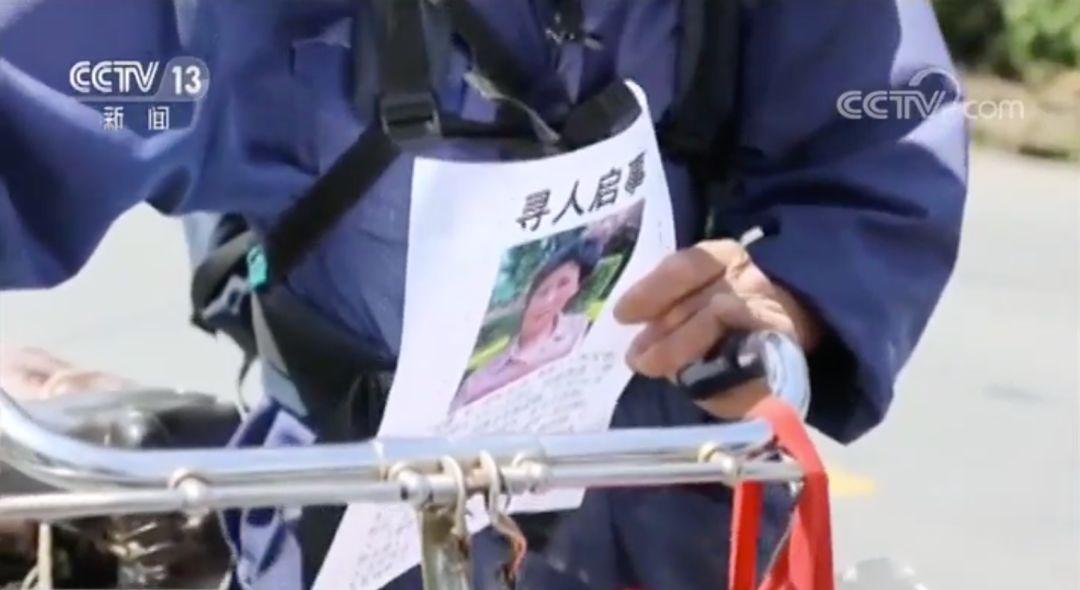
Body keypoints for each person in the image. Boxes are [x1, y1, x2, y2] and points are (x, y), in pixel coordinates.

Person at [0, 1, 968, 589]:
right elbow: (33, 100)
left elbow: (878, 148)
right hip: (354, 494)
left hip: (670, 500)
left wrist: (791, 300)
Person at [454, 238, 600, 409]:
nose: (549, 299)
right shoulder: (477, 384)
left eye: (563, 284)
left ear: (576, 287)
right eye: (543, 291)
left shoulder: (582, 330)